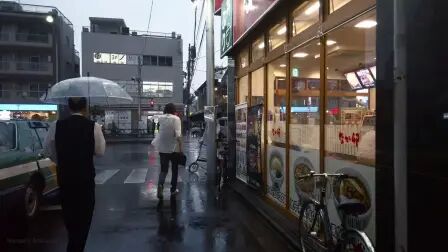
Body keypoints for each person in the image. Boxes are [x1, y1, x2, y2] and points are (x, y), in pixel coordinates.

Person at [44, 97, 106, 252]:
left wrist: (62, 161)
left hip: (65, 177)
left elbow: (48, 150)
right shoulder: (94, 126)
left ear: (69, 108)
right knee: (84, 218)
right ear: (85, 108)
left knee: (70, 217)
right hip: (85, 178)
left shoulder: (56, 125)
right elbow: (100, 151)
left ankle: (74, 244)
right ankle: (76, 246)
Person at [151, 103, 183, 199]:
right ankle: (173, 190)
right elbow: (178, 135)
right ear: (174, 110)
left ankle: (160, 186)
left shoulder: (160, 118)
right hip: (174, 148)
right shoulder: (176, 119)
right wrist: (181, 148)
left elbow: (156, 126)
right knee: (174, 169)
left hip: (162, 148)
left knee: (163, 170)